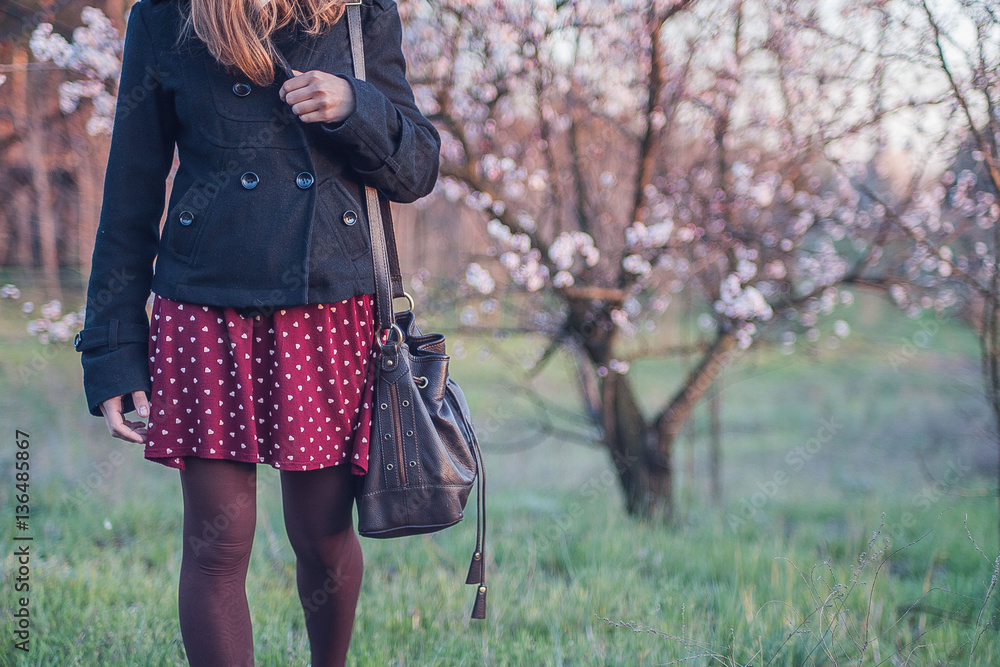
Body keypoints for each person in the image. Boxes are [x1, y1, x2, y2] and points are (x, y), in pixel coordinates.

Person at [73, 0, 441, 664]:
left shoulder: (359, 14)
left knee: (322, 533)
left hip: (325, 308)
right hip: (205, 310)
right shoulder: (164, 16)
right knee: (217, 544)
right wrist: (112, 350)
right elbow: (129, 193)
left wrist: (355, 106)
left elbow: (417, 169)